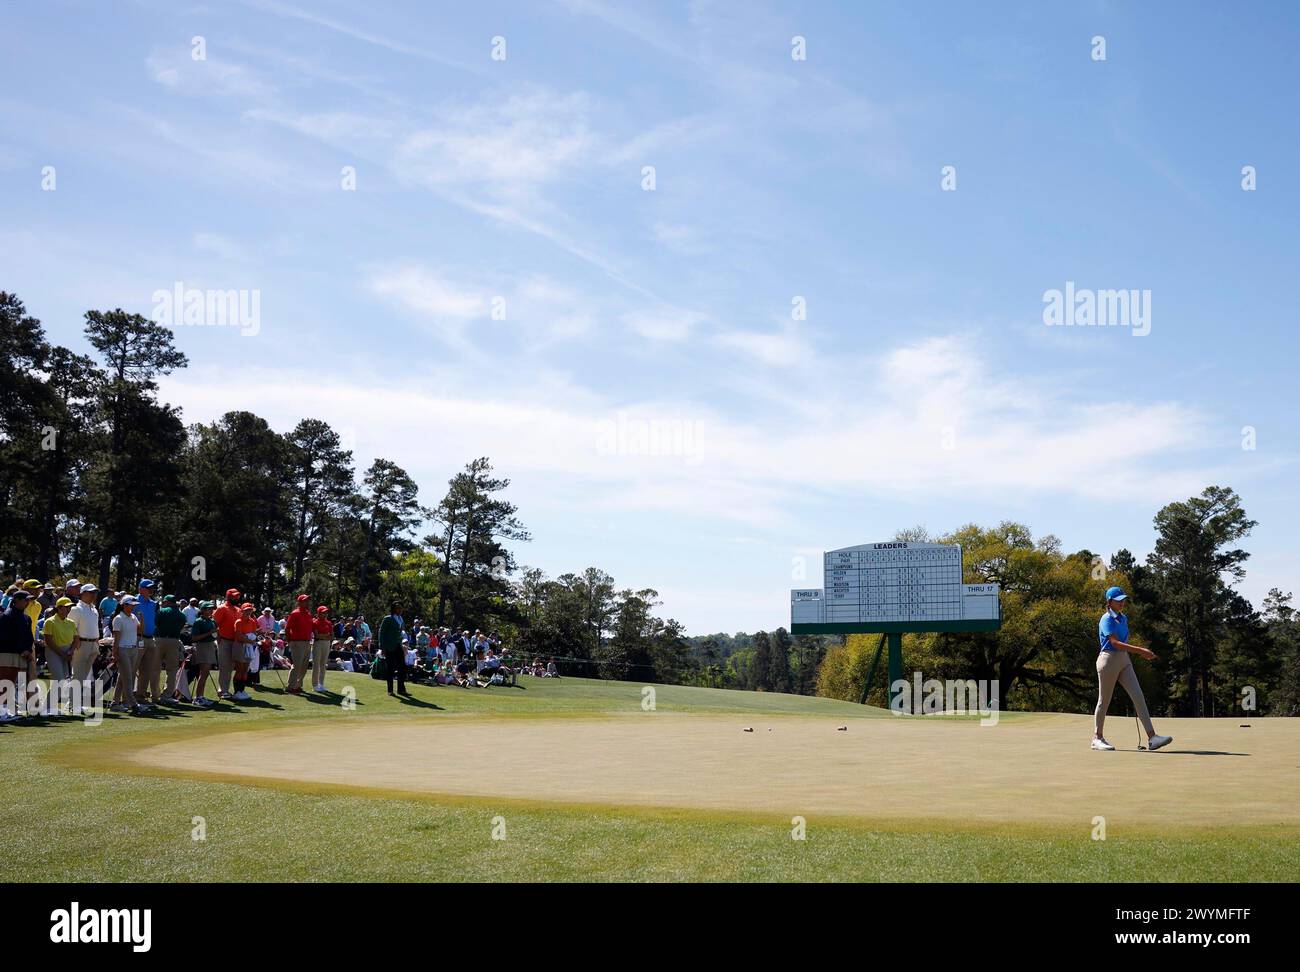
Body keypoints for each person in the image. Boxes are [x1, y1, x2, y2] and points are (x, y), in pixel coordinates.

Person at [1092, 586, 1173, 752]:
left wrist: (1132, 653)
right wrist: (1141, 651)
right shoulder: (1106, 619)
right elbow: (1114, 642)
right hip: (1107, 660)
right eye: (1118, 600)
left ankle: (1152, 738)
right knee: (1104, 701)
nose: (1122, 602)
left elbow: (1122, 643)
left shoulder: (1123, 618)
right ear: (1109, 602)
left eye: (1123, 599)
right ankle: (1097, 738)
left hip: (1123, 660)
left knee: (1138, 695)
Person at [0, 589, 37, 722]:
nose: (28, 602)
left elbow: (29, 637)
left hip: (21, 655)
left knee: (15, 684)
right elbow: (5, 637)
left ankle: (9, 711)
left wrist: (28, 650)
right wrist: (22, 649)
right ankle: (1, 713)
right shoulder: (7, 616)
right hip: (7, 653)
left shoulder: (26, 618)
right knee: (6, 683)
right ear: (17, 601)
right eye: (26, 599)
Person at [111, 595, 148, 714]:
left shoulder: (133, 617)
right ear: (124, 605)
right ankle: (133, 704)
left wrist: (142, 619)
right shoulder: (118, 618)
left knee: (122, 678)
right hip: (123, 650)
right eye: (131, 605)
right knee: (127, 678)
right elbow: (116, 638)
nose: (133, 607)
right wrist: (114, 653)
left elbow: (140, 630)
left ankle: (115, 703)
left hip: (133, 649)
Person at [69, 583, 102, 714]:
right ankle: (73, 705)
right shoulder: (76, 609)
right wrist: (76, 641)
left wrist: (97, 642)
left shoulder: (94, 609)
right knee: (77, 676)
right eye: (90, 592)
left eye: (94, 592)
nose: (93, 595)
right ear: (83, 593)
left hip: (93, 644)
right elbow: (72, 627)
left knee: (84, 677)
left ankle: (76, 703)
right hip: (81, 644)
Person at [42, 597, 78, 712]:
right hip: (53, 651)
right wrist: (62, 653)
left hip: (67, 652)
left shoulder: (71, 623)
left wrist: (71, 651)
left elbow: (76, 639)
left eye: (69, 607)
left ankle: (49, 706)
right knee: (59, 679)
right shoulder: (50, 621)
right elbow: (48, 640)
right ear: (59, 608)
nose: (68, 609)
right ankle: (47, 707)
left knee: (62, 681)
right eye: (66, 607)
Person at [154, 593, 187, 704]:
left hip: (159, 640)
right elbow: (181, 627)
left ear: (167, 602)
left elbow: (156, 624)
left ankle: (155, 694)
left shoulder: (161, 611)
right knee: (172, 670)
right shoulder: (181, 615)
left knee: (155, 668)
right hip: (174, 641)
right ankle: (167, 695)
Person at [133, 579, 160, 704]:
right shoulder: (133, 602)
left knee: (146, 670)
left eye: (152, 588)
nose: (151, 590)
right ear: (140, 589)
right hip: (137, 638)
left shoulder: (154, 603)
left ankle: (140, 695)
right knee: (133, 668)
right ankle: (127, 696)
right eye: (148, 588)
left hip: (150, 639)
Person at [213, 588, 242, 699]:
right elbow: (214, 624)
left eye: (237, 596)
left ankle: (226, 689)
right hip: (224, 640)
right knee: (225, 666)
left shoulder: (238, 610)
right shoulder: (221, 609)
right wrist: (217, 637)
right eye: (234, 596)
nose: (237, 598)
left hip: (235, 642)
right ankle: (222, 690)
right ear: (228, 597)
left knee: (231, 667)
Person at [188, 601, 218, 706]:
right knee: (203, 674)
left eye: (211, 609)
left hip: (210, 646)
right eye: (208, 608)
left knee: (205, 674)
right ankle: (198, 698)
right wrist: (209, 633)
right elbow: (194, 638)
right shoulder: (198, 621)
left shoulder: (211, 620)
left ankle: (200, 696)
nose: (211, 610)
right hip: (202, 647)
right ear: (203, 610)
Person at [283, 594, 314, 694]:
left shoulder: (308, 613)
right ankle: (290, 687)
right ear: (299, 602)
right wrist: (289, 641)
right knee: (297, 665)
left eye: (308, 600)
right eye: (305, 601)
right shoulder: (295, 613)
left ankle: (298, 685)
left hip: (307, 642)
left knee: (304, 666)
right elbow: (287, 629)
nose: (307, 602)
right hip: (297, 642)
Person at [377, 601, 407, 696]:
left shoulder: (400, 619)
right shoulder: (388, 618)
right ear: (393, 609)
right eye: (397, 608)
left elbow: (401, 631)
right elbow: (381, 633)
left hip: (398, 645)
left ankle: (401, 689)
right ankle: (390, 690)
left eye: (400, 608)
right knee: (390, 668)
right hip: (389, 646)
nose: (399, 610)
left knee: (402, 667)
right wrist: (382, 647)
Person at [233, 602, 259, 701]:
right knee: (239, 670)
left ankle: (242, 690)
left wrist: (249, 639)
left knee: (245, 670)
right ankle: (237, 692)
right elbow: (239, 637)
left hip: (248, 646)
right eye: (246, 610)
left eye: (250, 610)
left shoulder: (252, 621)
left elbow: (253, 633)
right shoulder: (238, 622)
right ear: (242, 611)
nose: (248, 612)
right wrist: (250, 640)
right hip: (240, 646)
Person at [311, 606, 333, 693]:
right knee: (316, 664)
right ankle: (315, 685)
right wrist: (325, 635)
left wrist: (324, 635)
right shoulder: (315, 622)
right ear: (319, 613)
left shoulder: (329, 623)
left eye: (326, 612)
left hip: (326, 643)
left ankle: (321, 684)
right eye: (323, 612)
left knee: (323, 665)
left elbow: (332, 636)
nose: (325, 614)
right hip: (318, 643)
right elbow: (316, 635)